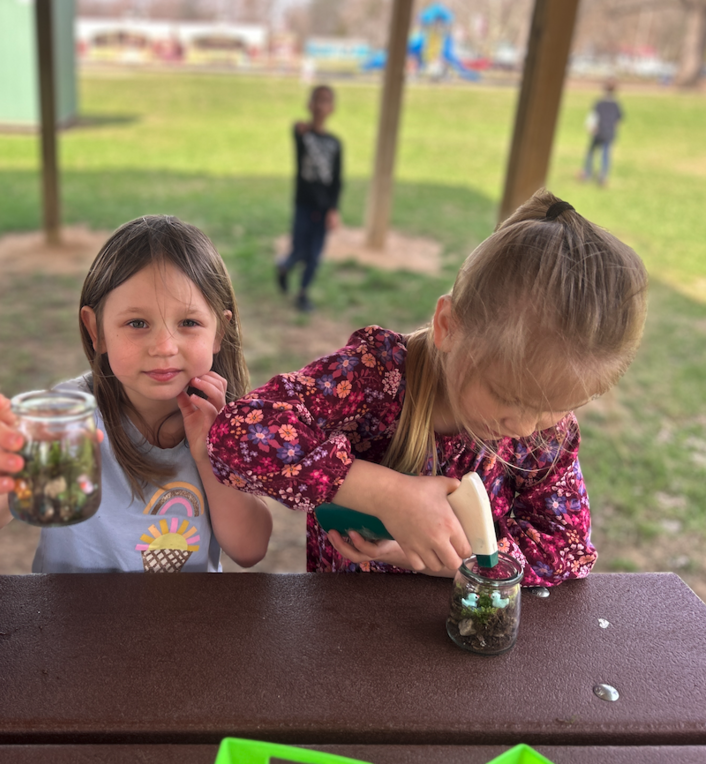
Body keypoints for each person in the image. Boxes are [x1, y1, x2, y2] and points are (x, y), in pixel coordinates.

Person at [210, 190, 648, 587]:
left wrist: (465, 560)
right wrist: (385, 494)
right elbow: (237, 435)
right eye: (509, 396)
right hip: (344, 630)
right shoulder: (376, 376)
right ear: (447, 327)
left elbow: (566, 548)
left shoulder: (548, 436)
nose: (525, 425)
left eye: (557, 406)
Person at [0, 215, 272, 572]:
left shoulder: (225, 418)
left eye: (189, 323)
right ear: (97, 331)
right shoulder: (66, 417)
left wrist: (209, 455)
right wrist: (3, 471)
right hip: (75, 619)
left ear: (219, 331)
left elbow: (250, 550)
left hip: (187, 622)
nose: (164, 346)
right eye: (137, 323)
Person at [276, 84, 342, 313]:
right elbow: (296, 130)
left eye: (326, 101)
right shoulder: (303, 133)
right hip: (303, 205)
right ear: (310, 104)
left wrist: (333, 209)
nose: (321, 106)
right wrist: (302, 128)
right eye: (318, 100)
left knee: (314, 255)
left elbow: (337, 180)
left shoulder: (335, 143)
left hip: (323, 209)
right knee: (298, 251)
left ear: (332, 108)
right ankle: (284, 267)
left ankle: (303, 293)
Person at [581, 78, 624, 187]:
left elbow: (594, 116)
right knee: (605, 154)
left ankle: (587, 173)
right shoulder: (616, 104)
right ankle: (603, 176)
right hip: (609, 133)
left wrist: (591, 127)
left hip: (598, 132)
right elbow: (618, 120)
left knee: (591, 152)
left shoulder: (599, 103)